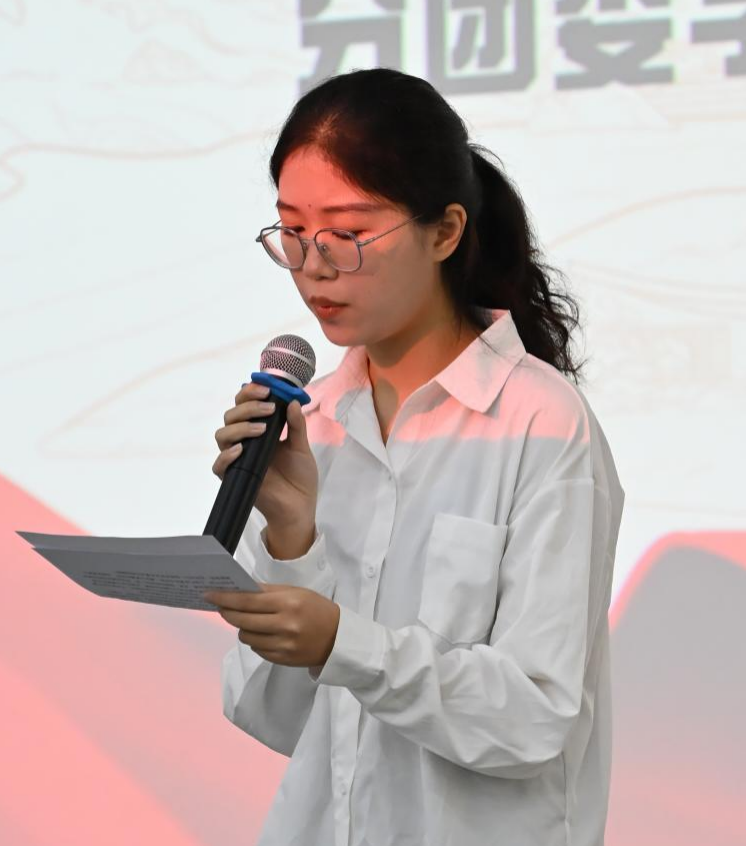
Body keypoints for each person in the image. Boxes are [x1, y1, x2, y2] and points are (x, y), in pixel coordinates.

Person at [202, 68, 624, 846]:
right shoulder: (311, 423)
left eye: (347, 233)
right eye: (291, 232)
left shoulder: (539, 422)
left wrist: (343, 643)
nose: (314, 266)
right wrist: (291, 540)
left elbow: (536, 717)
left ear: (445, 232)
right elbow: (271, 717)